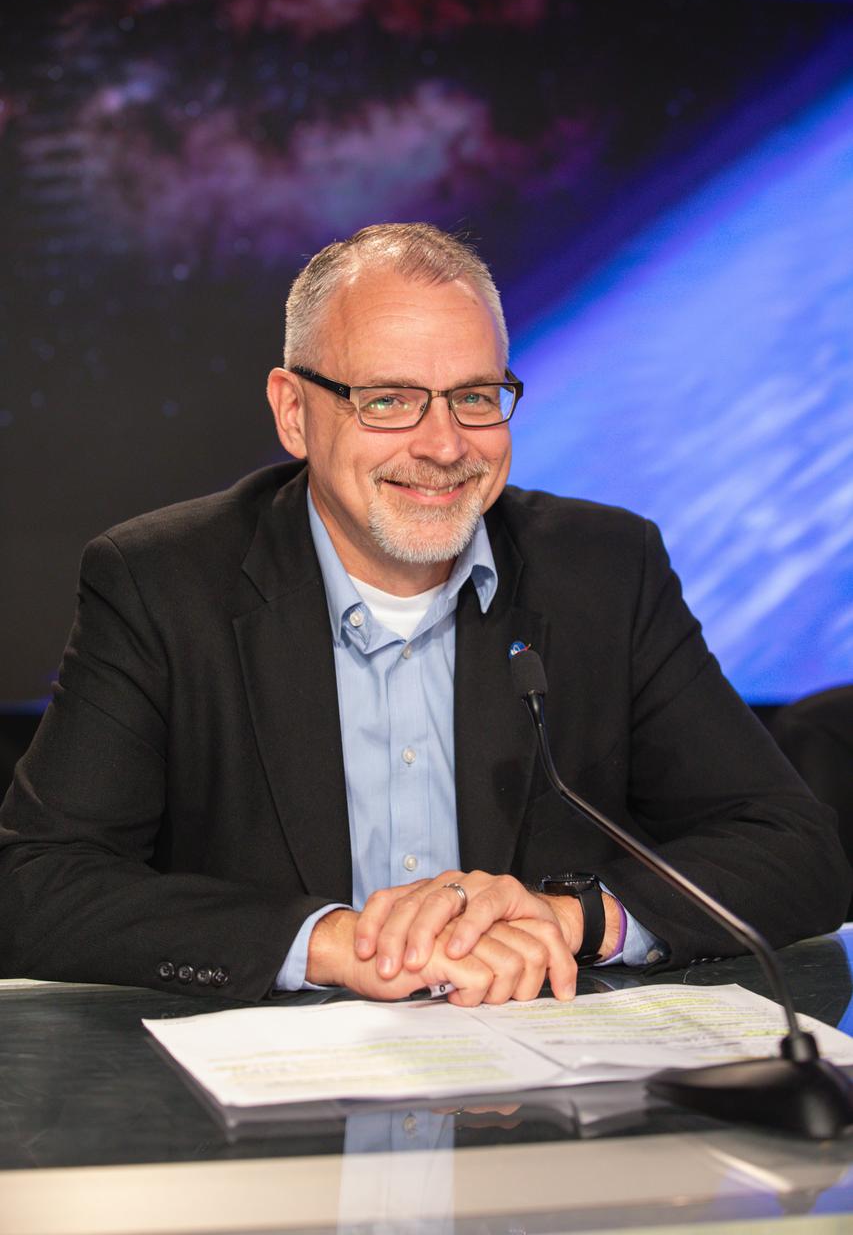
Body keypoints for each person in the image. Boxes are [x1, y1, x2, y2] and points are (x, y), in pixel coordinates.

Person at [0, 223, 849, 1005]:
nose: (444, 445)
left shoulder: (602, 569)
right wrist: (330, 943)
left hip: (542, 1101)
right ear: (294, 412)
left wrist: (570, 919)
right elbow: (36, 882)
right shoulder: (161, 581)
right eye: (389, 400)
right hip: (267, 1122)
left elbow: (791, 847)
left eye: (476, 397)